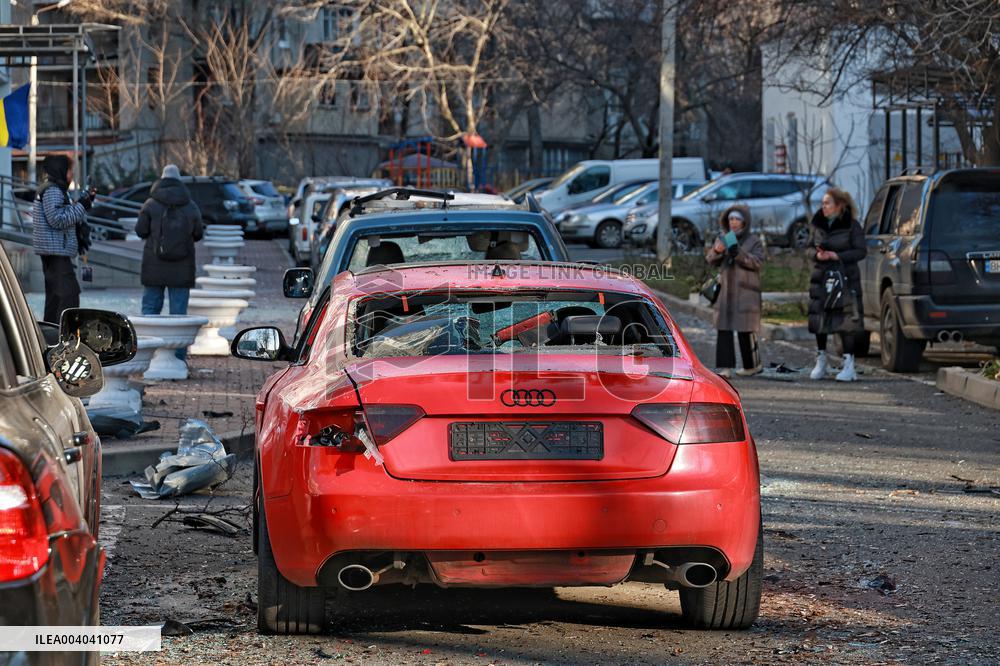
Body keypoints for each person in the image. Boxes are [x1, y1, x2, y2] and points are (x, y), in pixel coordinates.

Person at [135, 165, 203, 356]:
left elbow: (140, 230)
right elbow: (198, 233)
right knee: (179, 315)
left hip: (153, 266)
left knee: (150, 311)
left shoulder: (150, 203)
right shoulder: (190, 205)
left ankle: (148, 355)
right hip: (182, 267)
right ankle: (178, 358)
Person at [806, 187, 867, 382]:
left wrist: (837, 255)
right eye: (822, 203)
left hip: (845, 278)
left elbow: (860, 251)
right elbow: (807, 248)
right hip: (821, 277)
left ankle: (849, 363)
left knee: (847, 320)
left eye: (827, 203)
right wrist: (817, 255)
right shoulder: (817, 225)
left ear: (839, 205)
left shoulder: (852, 226)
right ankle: (821, 359)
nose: (823, 207)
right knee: (819, 318)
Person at [32, 155, 94, 323]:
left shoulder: (53, 188)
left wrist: (83, 202)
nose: (71, 174)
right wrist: (83, 205)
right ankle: (65, 336)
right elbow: (57, 219)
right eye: (69, 170)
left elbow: (60, 215)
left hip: (54, 251)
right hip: (55, 252)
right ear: (59, 169)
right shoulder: (52, 190)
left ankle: (50, 335)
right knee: (69, 296)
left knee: (55, 299)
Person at [705, 205, 765, 378]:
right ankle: (725, 367)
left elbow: (758, 262)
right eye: (731, 219)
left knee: (746, 328)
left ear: (744, 221)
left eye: (737, 219)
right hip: (726, 290)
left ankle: (752, 365)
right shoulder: (723, 237)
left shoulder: (753, 240)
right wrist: (717, 251)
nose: (734, 222)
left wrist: (737, 252)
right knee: (723, 328)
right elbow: (710, 259)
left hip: (746, 291)